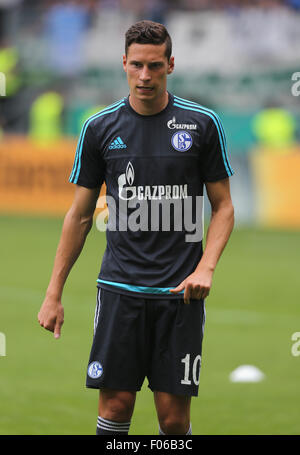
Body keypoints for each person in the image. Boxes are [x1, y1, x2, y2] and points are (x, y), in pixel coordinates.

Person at [38, 20, 235, 436]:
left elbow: (224, 208)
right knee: (114, 406)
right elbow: (79, 215)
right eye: (137, 66)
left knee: (173, 418)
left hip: (179, 297)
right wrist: (53, 293)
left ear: (171, 65)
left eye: (155, 66)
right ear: (124, 64)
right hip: (119, 292)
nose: (145, 76)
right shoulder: (99, 128)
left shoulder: (202, 124)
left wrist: (206, 268)